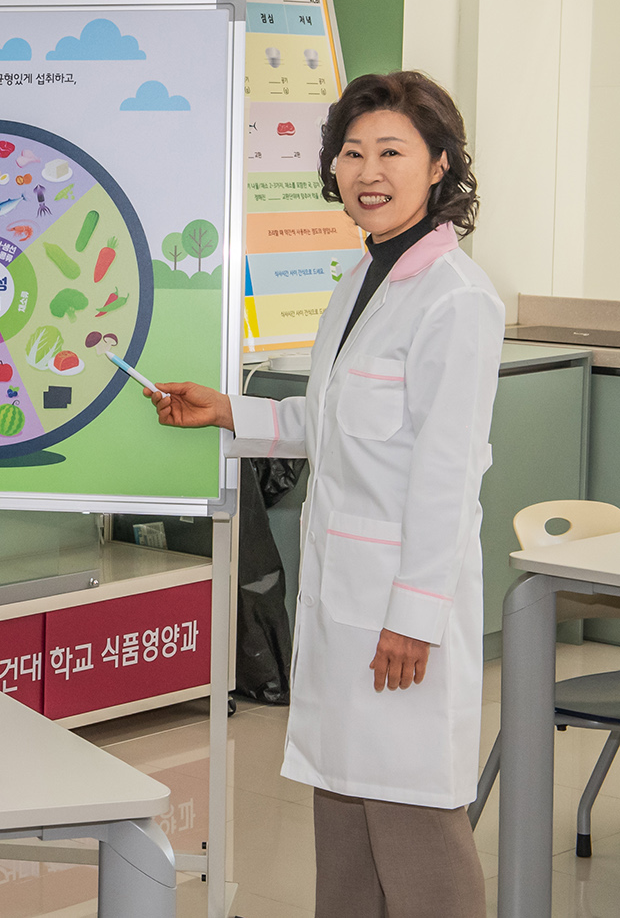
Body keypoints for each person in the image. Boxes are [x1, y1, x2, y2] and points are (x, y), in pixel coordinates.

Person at [149, 71, 499, 918]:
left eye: (392, 152)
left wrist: (415, 614)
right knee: (343, 813)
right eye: (352, 152)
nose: (368, 171)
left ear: (439, 165)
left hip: (398, 607)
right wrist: (228, 410)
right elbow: (334, 418)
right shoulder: (361, 279)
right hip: (344, 601)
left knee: (415, 822)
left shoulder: (458, 300)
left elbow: (447, 471)